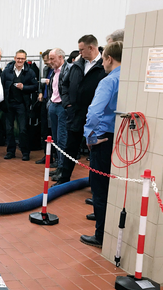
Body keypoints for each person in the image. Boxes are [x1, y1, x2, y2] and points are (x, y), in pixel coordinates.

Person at [80, 41, 122, 248]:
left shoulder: (108, 81)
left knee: (99, 188)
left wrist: (90, 137)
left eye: (103, 59)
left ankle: (101, 235)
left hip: (103, 138)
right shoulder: (130, 79)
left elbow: (94, 112)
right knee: (115, 187)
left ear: (109, 58)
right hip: (121, 138)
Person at [54, 35, 107, 186]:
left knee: (95, 150)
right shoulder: (77, 65)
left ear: (91, 48)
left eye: (82, 49)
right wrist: (67, 104)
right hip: (75, 114)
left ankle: (94, 184)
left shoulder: (104, 66)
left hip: (95, 117)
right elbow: (64, 85)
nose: (80, 53)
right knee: (70, 147)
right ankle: (63, 178)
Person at [1, 49, 38, 161]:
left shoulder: (30, 72)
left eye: (22, 58)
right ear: (14, 58)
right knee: (9, 129)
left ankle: (25, 152)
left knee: (23, 129)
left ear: (25, 59)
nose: (20, 60)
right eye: (18, 58)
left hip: (22, 104)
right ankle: (10, 151)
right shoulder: (6, 71)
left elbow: (35, 86)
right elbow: (1, 85)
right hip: (9, 104)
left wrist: (24, 87)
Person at [46, 48, 70, 182]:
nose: (50, 61)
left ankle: (63, 168)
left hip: (62, 107)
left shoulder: (68, 70)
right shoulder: (53, 72)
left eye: (52, 59)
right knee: (55, 138)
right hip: (53, 105)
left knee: (62, 139)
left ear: (61, 57)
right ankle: (59, 165)